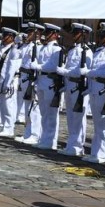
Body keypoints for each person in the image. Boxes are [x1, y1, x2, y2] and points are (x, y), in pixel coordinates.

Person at [84, 22, 105, 164]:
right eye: (100, 35)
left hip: (104, 91)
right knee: (97, 124)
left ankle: (103, 154)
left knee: (104, 124)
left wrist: (93, 72)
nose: (101, 38)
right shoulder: (98, 52)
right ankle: (95, 152)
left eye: (104, 35)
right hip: (95, 89)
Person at [58, 23, 91, 156]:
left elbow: (83, 71)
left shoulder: (87, 51)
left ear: (83, 35)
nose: (73, 36)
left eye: (76, 33)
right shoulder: (72, 50)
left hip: (79, 86)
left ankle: (77, 146)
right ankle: (71, 144)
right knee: (70, 117)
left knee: (79, 118)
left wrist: (66, 72)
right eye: (73, 33)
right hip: (70, 85)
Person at [32, 23, 63, 151]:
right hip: (41, 80)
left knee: (51, 114)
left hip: (50, 81)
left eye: (49, 32)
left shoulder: (56, 48)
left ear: (55, 34)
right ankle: (44, 138)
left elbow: (53, 66)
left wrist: (38, 66)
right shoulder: (44, 48)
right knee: (44, 112)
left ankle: (51, 141)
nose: (47, 35)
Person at [16, 23, 43, 146]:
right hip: (24, 76)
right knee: (27, 107)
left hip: (33, 78)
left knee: (34, 108)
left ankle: (35, 134)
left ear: (37, 34)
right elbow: (17, 55)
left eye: (31, 33)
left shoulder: (39, 47)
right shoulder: (27, 46)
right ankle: (27, 133)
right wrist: (19, 42)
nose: (28, 35)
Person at [0, 27, 21, 137]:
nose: (3, 38)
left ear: (12, 37)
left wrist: (7, 83)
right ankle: (5, 126)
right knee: (3, 106)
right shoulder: (3, 48)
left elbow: (12, 68)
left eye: (5, 36)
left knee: (9, 105)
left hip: (9, 80)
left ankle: (9, 128)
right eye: (3, 35)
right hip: (1, 79)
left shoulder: (14, 49)